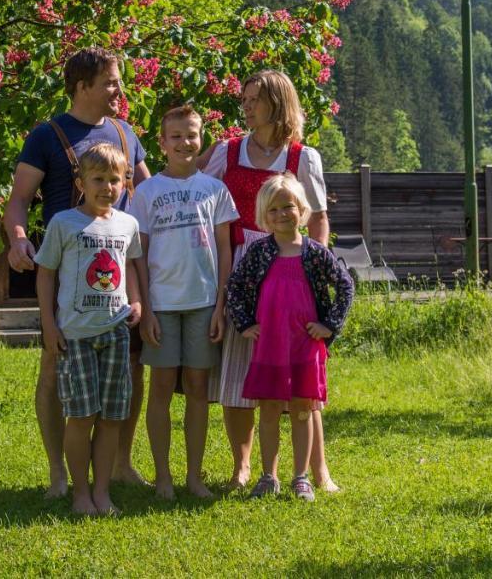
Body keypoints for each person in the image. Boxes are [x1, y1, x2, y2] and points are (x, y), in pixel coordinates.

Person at [3, 47, 151, 498]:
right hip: (66, 272)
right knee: (54, 365)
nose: (118, 90)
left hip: (119, 276)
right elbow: (19, 199)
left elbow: (149, 191)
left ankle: (121, 462)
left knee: (129, 369)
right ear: (82, 85)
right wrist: (18, 239)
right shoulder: (47, 135)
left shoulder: (126, 134)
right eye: (110, 82)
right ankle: (58, 472)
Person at [199, 69, 338, 491]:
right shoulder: (227, 151)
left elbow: (317, 219)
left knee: (302, 374)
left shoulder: (302, 157)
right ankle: (244, 467)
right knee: (238, 371)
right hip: (243, 263)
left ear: (277, 103)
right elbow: (193, 190)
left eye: (254, 98)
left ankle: (316, 471)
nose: (246, 106)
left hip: (292, 268)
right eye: (244, 98)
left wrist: (316, 273)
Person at [225, 173, 354, 501]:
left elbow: (345, 286)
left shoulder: (314, 253)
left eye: (289, 207)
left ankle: (301, 477)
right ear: (263, 217)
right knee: (268, 410)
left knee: (302, 410)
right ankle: (268, 476)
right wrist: (244, 324)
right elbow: (235, 287)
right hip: (269, 346)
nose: (282, 214)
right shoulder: (258, 252)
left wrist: (329, 325)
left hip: (304, 346)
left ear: (302, 210)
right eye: (274, 210)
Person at [132, 105, 238, 499]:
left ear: (201, 140)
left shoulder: (215, 190)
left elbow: (225, 250)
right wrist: (143, 306)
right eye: (175, 136)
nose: (184, 142)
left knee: (197, 388)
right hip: (161, 305)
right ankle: (163, 478)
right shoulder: (146, 192)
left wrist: (220, 305)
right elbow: (137, 253)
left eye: (191, 135)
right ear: (161, 143)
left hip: (203, 304)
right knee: (160, 387)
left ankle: (193, 477)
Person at [34, 143, 144, 516]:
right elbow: (46, 274)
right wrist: (49, 325)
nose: (107, 187)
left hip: (115, 334)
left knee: (112, 417)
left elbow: (129, 267)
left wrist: (138, 301)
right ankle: (80, 493)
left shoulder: (127, 224)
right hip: (75, 336)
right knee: (81, 416)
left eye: (115, 180)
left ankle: (102, 493)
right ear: (81, 182)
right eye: (98, 179)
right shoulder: (63, 223)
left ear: (124, 184)